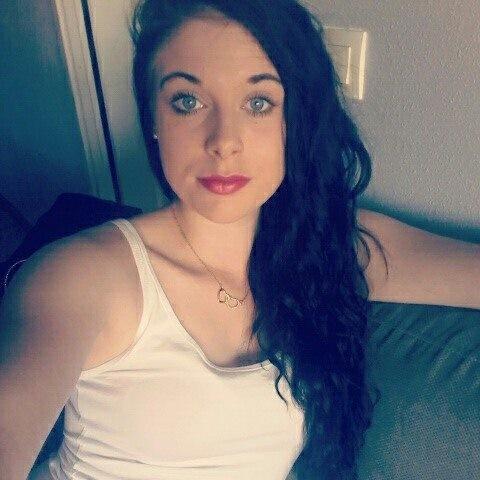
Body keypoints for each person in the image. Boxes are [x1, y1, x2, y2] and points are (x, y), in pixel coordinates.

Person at [1, 0, 479, 479]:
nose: (224, 141)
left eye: (258, 103)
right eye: (187, 101)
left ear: (296, 121)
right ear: (153, 119)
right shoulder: (82, 276)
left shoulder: (332, 248)